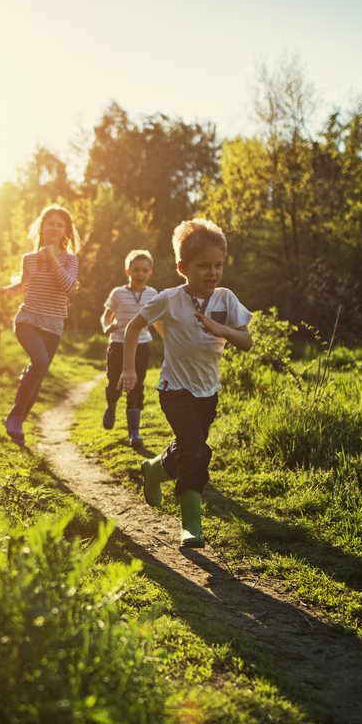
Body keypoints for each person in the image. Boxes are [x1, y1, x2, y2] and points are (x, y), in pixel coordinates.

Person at [117, 218, 252, 548]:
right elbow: (134, 328)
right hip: (174, 390)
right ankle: (191, 525)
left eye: (218, 265)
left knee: (188, 449)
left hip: (209, 393)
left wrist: (223, 331)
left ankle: (154, 469)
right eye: (203, 265)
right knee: (196, 450)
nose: (212, 272)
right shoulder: (169, 298)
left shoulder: (226, 299)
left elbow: (247, 341)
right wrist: (129, 370)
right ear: (182, 267)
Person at [0, 204, 81, 446]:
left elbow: (69, 289)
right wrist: (4, 292)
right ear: (42, 227)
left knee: (38, 373)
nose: (54, 227)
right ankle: (15, 417)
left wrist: (53, 259)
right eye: (50, 223)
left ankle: (17, 422)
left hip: (53, 325)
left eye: (60, 224)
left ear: (66, 231)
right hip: (28, 319)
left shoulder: (71, 260)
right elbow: (24, 287)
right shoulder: (29, 259)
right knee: (40, 362)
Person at [100, 249, 159, 447]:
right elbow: (106, 316)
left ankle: (134, 433)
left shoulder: (153, 294)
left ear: (150, 272)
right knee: (114, 381)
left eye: (144, 270)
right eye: (136, 270)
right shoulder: (118, 293)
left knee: (136, 385)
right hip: (118, 344)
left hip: (141, 346)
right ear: (128, 271)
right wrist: (107, 327)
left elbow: (159, 319)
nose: (140, 274)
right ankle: (111, 404)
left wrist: (171, 338)